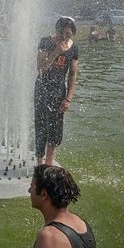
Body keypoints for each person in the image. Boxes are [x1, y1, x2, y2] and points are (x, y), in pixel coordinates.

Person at [14, 165, 96, 248]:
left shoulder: (50, 237)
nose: (29, 190)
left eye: (32, 186)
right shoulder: (81, 224)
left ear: (44, 194)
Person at [34, 17, 79, 165]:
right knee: (41, 125)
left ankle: (49, 162)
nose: (65, 37)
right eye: (62, 33)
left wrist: (68, 99)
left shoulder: (74, 48)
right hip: (42, 90)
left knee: (55, 128)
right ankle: (40, 163)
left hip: (59, 92)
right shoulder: (46, 42)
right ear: (56, 30)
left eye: (68, 33)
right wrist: (56, 52)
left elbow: (72, 75)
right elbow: (41, 68)